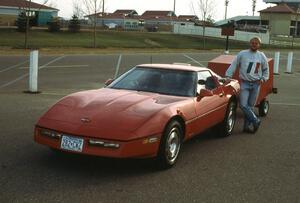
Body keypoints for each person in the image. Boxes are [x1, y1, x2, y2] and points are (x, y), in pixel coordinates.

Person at [225, 37, 269, 133]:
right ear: (250, 43)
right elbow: (234, 64)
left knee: (251, 106)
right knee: (243, 105)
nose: (254, 44)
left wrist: (263, 79)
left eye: (256, 43)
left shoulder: (261, 56)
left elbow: (266, 70)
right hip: (245, 83)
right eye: (252, 43)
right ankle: (255, 120)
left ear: (259, 45)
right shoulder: (242, 53)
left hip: (256, 84)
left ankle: (246, 127)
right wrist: (228, 75)